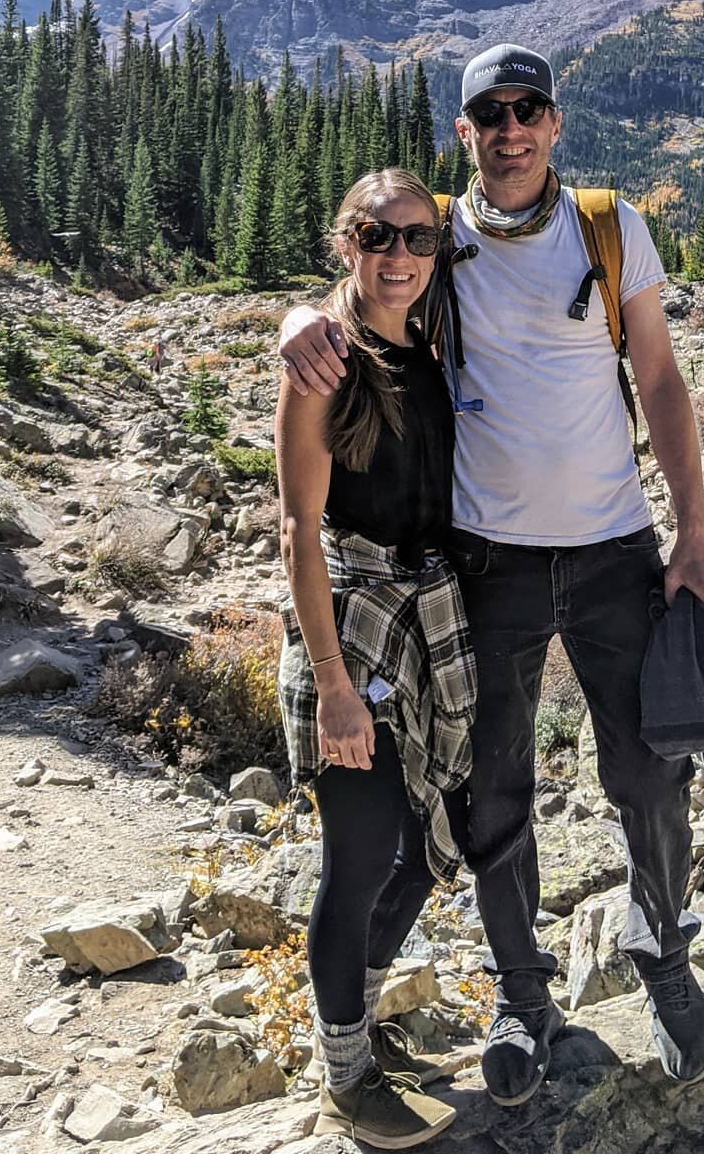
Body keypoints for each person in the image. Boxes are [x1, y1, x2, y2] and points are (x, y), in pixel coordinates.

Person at [280, 44, 704, 1107]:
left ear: (556, 124)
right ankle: (522, 993)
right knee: (495, 792)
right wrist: (291, 320)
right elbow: (359, 290)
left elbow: (659, 379)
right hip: (489, 564)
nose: (513, 127)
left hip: (618, 546)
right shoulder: (438, 237)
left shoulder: (612, 227)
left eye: (531, 109)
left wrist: (694, 531)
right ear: (466, 132)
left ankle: (662, 953)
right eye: (493, 111)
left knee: (653, 770)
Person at [275, 168, 475, 1149]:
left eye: (418, 239)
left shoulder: (427, 342)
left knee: (424, 843)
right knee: (359, 858)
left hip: (424, 623)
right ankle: (344, 1080)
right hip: (350, 630)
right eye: (377, 235)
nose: (399, 256)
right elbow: (296, 530)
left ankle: (361, 1028)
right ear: (344, 240)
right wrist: (332, 688)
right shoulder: (324, 360)